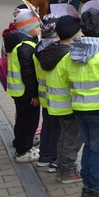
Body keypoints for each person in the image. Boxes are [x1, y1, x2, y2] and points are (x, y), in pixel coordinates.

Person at [65, 2, 99, 197]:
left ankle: (87, 186)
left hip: (79, 107)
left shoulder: (73, 50)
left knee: (89, 146)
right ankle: (96, 187)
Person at [39, 14, 84, 184]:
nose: (82, 34)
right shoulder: (68, 56)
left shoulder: (51, 51)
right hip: (68, 104)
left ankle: (60, 168)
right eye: (79, 31)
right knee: (72, 139)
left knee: (64, 137)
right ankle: (67, 171)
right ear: (73, 34)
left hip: (55, 103)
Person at [5, 8, 42, 162]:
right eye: (37, 26)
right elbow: (29, 73)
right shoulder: (26, 47)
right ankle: (23, 151)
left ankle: (19, 141)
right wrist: (34, 94)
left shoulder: (16, 41)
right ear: (28, 28)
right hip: (26, 92)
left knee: (21, 118)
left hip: (17, 90)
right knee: (28, 120)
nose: (40, 29)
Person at [34, 14, 63, 173]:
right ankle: (54, 160)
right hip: (59, 96)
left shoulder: (38, 47)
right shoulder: (60, 49)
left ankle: (43, 157)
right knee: (58, 129)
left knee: (47, 125)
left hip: (44, 95)